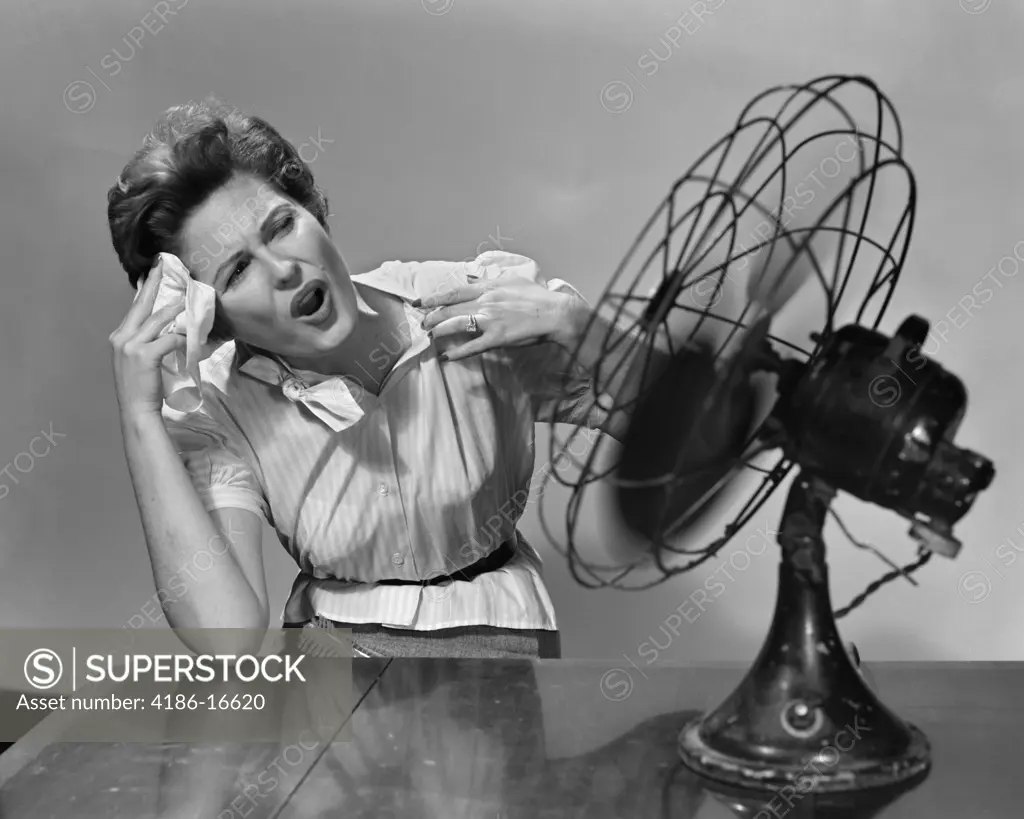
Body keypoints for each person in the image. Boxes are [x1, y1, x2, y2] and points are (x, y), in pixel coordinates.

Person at [106, 97, 667, 660]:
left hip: (503, 649)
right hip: (331, 675)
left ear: (312, 211)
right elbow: (228, 637)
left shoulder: (470, 301)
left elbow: (683, 427)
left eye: (281, 226)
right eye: (239, 270)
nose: (283, 270)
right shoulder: (219, 406)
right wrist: (140, 418)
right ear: (211, 321)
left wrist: (580, 326)